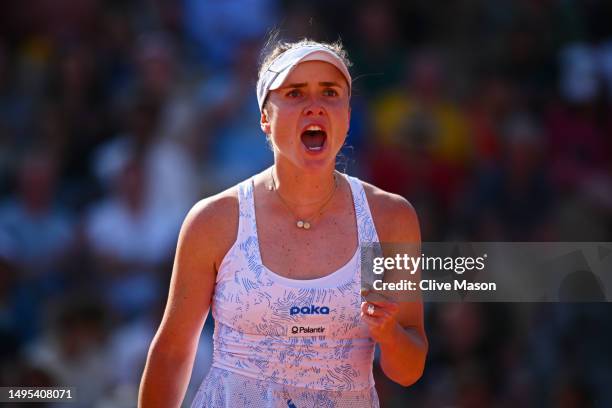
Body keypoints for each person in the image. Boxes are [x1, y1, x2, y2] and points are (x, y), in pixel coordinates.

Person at [138, 38, 428, 407]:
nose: (315, 107)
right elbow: (172, 353)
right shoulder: (215, 220)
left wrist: (388, 334)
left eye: (330, 92)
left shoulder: (390, 218)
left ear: (348, 114)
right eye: (295, 93)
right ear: (264, 117)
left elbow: (408, 369)